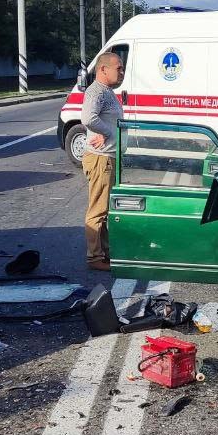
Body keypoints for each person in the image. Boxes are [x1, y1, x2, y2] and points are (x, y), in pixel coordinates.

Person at [81, 52, 125, 272]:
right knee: (97, 211)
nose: (122, 72)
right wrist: (107, 132)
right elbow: (88, 118)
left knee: (106, 210)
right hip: (100, 159)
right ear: (103, 69)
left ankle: (105, 253)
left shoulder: (108, 92)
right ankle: (94, 257)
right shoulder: (96, 91)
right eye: (118, 68)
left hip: (109, 157)